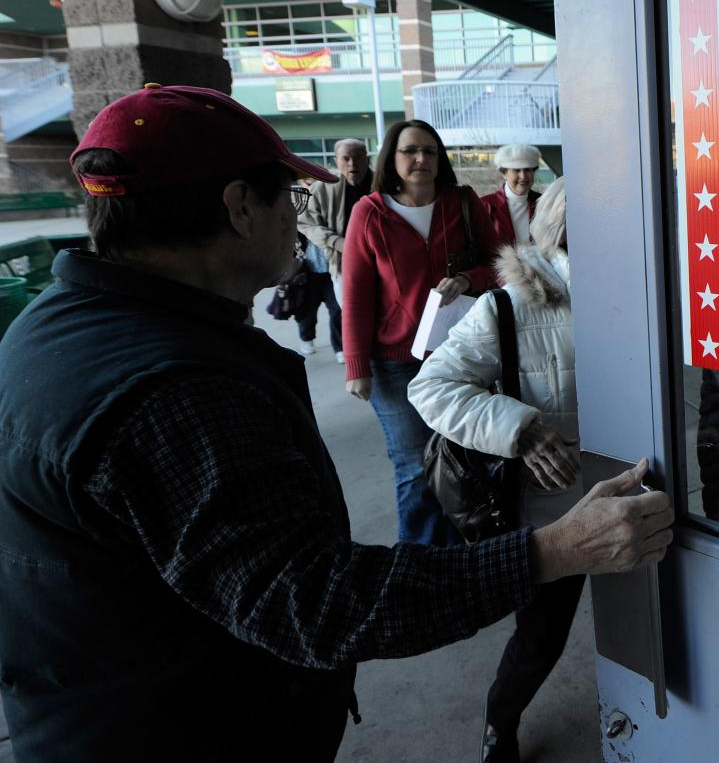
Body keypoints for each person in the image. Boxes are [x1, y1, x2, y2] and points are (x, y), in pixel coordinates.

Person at [0, 85, 672, 763]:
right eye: (287, 200)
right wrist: (553, 551)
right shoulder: (176, 391)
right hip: (184, 733)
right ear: (238, 208)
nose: (298, 223)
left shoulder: (55, 326)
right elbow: (317, 604)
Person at [409, 177, 582, 763]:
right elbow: (431, 387)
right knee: (541, 638)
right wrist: (522, 429)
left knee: (658, 625)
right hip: (555, 512)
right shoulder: (508, 306)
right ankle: (498, 724)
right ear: (563, 226)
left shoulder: (655, 289)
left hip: (645, 490)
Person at [342, 120, 500, 545]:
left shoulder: (463, 203)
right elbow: (356, 292)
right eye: (410, 150)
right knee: (414, 468)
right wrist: (356, 365)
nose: (421, 159)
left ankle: (468, 552)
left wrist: (468, 279)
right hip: (395, 364)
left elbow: (501, 266)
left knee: (465, 458)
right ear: (391, 159)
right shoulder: (370, 212)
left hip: (461, 356)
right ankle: (422, 564)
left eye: (430, 151)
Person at [299, 137, 373, 362]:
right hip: (342, 262)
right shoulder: (323, 187)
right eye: (346, 158)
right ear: (336, 160)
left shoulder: (383, 182)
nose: (352, 165)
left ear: (367, 159)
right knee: (349, 312)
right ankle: (357, 358)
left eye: (358, 157)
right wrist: (336, 242)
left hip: (385, 260)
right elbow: (304, 222)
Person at [479, 143, 543, 251]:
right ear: (504, 173)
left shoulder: (543, 203)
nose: (523, 176)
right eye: (516, 170)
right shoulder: (485, 206)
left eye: (527, 170)